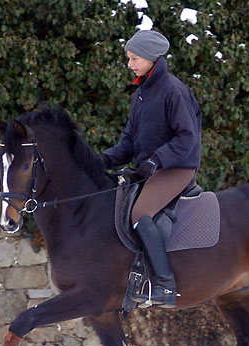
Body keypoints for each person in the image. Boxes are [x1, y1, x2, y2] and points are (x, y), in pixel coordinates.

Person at [100, 29, 202, 309]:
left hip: (178, 167)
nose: (131, 64)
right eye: (129, 59)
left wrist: (157, 160)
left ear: (150, 58)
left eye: (134, 58)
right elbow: (129, 142)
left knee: (140, 212)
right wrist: (103, 160)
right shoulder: (141, 95)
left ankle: (166, 287)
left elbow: (186, 137)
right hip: (152, 168)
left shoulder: (174, 90)